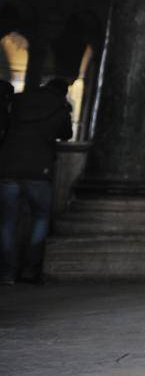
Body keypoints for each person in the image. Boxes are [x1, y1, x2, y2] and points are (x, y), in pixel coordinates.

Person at [0, 79, 72, 285]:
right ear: (63, 91)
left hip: (8, 166)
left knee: (7, 222)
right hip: (40, 169)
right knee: (40, 218)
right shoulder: (60, 106)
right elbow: (66, 134)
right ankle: (29, 271)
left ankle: (7, 273)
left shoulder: (17, 101)